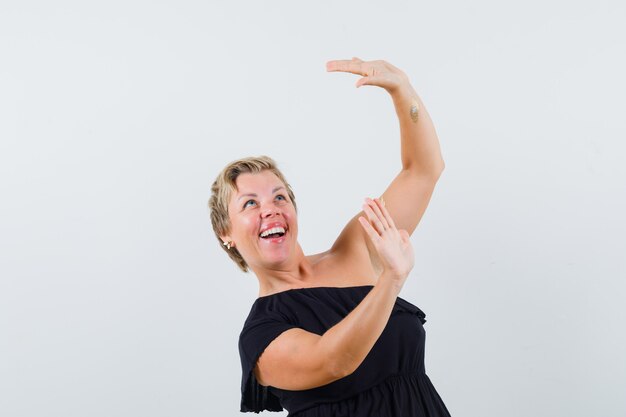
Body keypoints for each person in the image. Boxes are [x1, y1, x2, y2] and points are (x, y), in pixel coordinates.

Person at [208, 57, 450, 416]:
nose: (270, 209)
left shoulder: (356, 248)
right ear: (226, 233)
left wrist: (402, 89)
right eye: (249, 203)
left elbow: (423, 170)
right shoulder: (261, 334)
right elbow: (335, 360)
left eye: (279, 196)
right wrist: (391, 279)